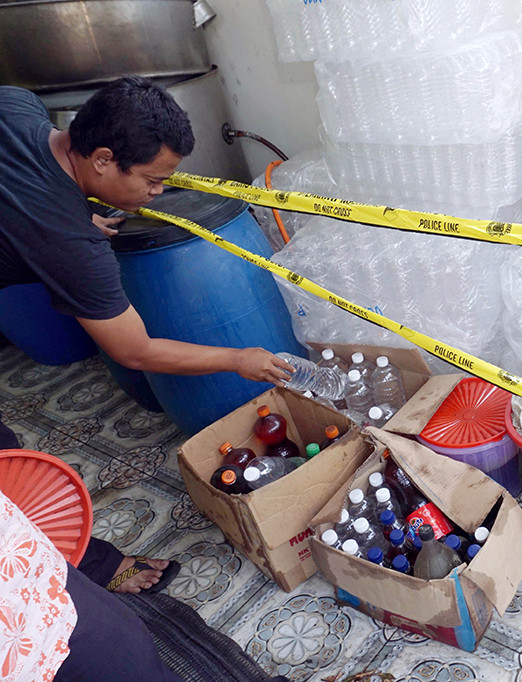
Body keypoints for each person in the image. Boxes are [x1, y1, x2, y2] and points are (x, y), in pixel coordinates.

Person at [0, 76, 296, 680]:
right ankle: (51, 588)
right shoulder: (67, 242)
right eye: (153, 180)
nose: (159, 193)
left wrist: (72, 211)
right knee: (7, 468)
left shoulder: (16, 109)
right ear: (101, 158)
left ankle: (70, 560)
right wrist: (236, 359)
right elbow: (134, 351)